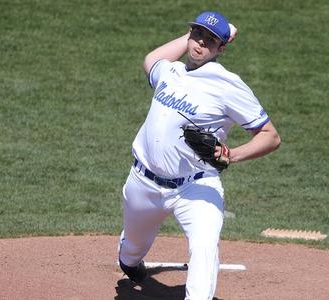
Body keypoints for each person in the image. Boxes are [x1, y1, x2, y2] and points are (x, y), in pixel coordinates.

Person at [117, 11, 281, 300]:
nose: (200, 44)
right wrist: (200, 34)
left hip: (196, 186)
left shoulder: (227, 84)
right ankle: (130, 260)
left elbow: (270, 136)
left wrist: (231, 155)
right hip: (143, 184)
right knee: (131, 253)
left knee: (205, 247)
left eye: (210, 40)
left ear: (221, 48)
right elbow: (150, 60)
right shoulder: (171, 72)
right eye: (197, 35)